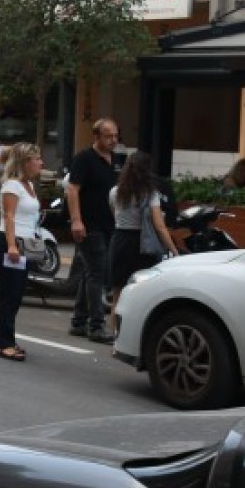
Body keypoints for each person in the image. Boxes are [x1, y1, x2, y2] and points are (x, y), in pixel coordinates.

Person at [66, 118, 121, 343]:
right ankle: (96, 326)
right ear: (96, 137)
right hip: (90, 225)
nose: (113, 140)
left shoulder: (116, 161)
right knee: (97, 274)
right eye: (108, 136)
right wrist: (76, 221)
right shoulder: (84, 159)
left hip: (110, 224)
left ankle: (79, 321)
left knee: (91, 273)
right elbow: (72, 189)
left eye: (116, 136)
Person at [0, 143, 45, 362]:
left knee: (17, 294)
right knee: (8, 294)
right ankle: (4, 343)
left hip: (25, 243)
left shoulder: (28, 185)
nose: (41, 162)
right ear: (24, 162)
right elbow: (10, 216)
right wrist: (12, 245)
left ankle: (7, 338)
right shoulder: (12, 185)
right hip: (9, 242)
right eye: (37, 158)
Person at [109, 151, 180, 318]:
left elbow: (114, 214)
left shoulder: (115, 191)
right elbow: (159, 226)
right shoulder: (150, 194)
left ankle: (113, 333)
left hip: (119, 241)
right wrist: (174, 250)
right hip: (142, 246)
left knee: (118, 293)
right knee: (142, 294)